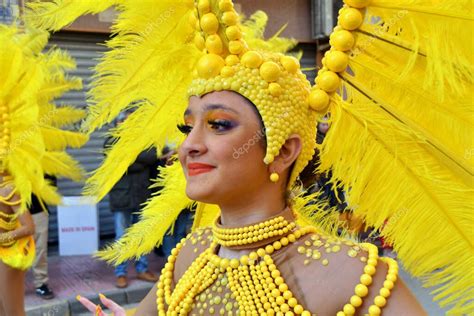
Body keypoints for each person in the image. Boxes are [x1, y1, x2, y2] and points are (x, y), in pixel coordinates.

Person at [27, 0, 472, 315]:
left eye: (219, 125)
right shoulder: (190, 254)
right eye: (188, 125)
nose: (188, 145)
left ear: (282, 152)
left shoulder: (348, 275)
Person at [0, 24, 86, 315]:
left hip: (27, 223)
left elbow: (27, 224)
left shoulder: (14, 178)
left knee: (13, 302)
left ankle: (41, 283)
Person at [105, 116, 160, 288]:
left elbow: (152, 156)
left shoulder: (144, 140)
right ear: (117, 124)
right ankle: (120, 273)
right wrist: (137, 158)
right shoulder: (111, 141)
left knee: (141, 236)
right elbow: (122, 161)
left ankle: (142, 269)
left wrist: (131, 157)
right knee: (122, 237)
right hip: (121, 197)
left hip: (141, 195)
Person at [30, 194, 55, 299]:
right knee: (10, 252)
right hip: (11, 212)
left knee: (40, 249)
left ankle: (41, 284)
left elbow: (51, 182)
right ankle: (9, 286)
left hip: (37, 209)